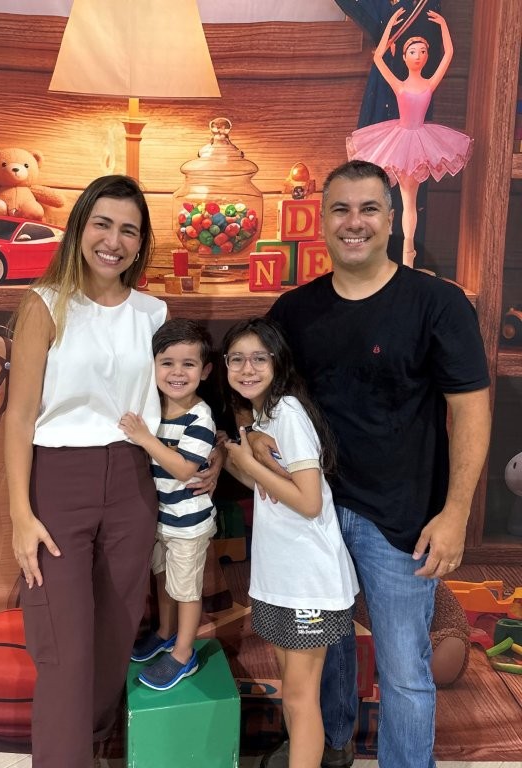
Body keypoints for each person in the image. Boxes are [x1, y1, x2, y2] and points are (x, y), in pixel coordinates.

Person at [253, 160, 491, 768]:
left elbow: (470, 411)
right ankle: (330, 748)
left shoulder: (437, 303)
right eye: (340, 209)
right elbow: (258, 389)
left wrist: (456, 513)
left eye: (367, 209)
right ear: (322, 221)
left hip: (402, 516)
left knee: (405, 667)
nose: (353, 222)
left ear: (391, 219)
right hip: (313, 514)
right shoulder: (294, 311)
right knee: (322, 651)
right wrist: (252, 437)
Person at [5, 174, 168, 768]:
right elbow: (20, 415)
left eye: (129, 230)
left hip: (132, 480)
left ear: (141, 243)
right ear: (79, 227)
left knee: (113, 638)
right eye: (102, 224)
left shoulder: (154, 313)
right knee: (64, 649)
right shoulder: (45, 304)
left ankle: (92, 747)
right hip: (57, 481)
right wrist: (21, 515)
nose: (113, 241)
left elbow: (175, 401)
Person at [221, 317, 359, 768]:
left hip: (308, 585)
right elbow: (271, 490)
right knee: (293, 697)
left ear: (278, 363)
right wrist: (233, 459)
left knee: (301, 700)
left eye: (259, 358)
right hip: (281, 580)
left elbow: (309, 502)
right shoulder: (264, 415)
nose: (247, 368)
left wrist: (247, 462)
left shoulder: (289, 414)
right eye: (237, 359)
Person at [119, 318, 216, 691]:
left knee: (185, 589)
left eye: (188, 364)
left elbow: (183, 469)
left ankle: (183, 653)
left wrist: (145, 438)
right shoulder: (153, 407)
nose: (177, 372)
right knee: (163, 578)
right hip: (160, 518)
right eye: (167, 363)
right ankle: (164, 631)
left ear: (205, 371)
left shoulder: (200, 417)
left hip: (187, 523)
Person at [346, 8, 473, 267]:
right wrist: (390, 26)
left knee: (409, 201)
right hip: (399, 141)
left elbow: (448, 54)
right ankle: (395, 253)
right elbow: (378, 57)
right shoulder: (400, 85)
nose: (419, 56)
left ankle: (407, 255)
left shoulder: (428, 84)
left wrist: (443, 25)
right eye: (413, 52)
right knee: (395, 198)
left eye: (423, 52)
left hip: (420, 142)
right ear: (404, 57)